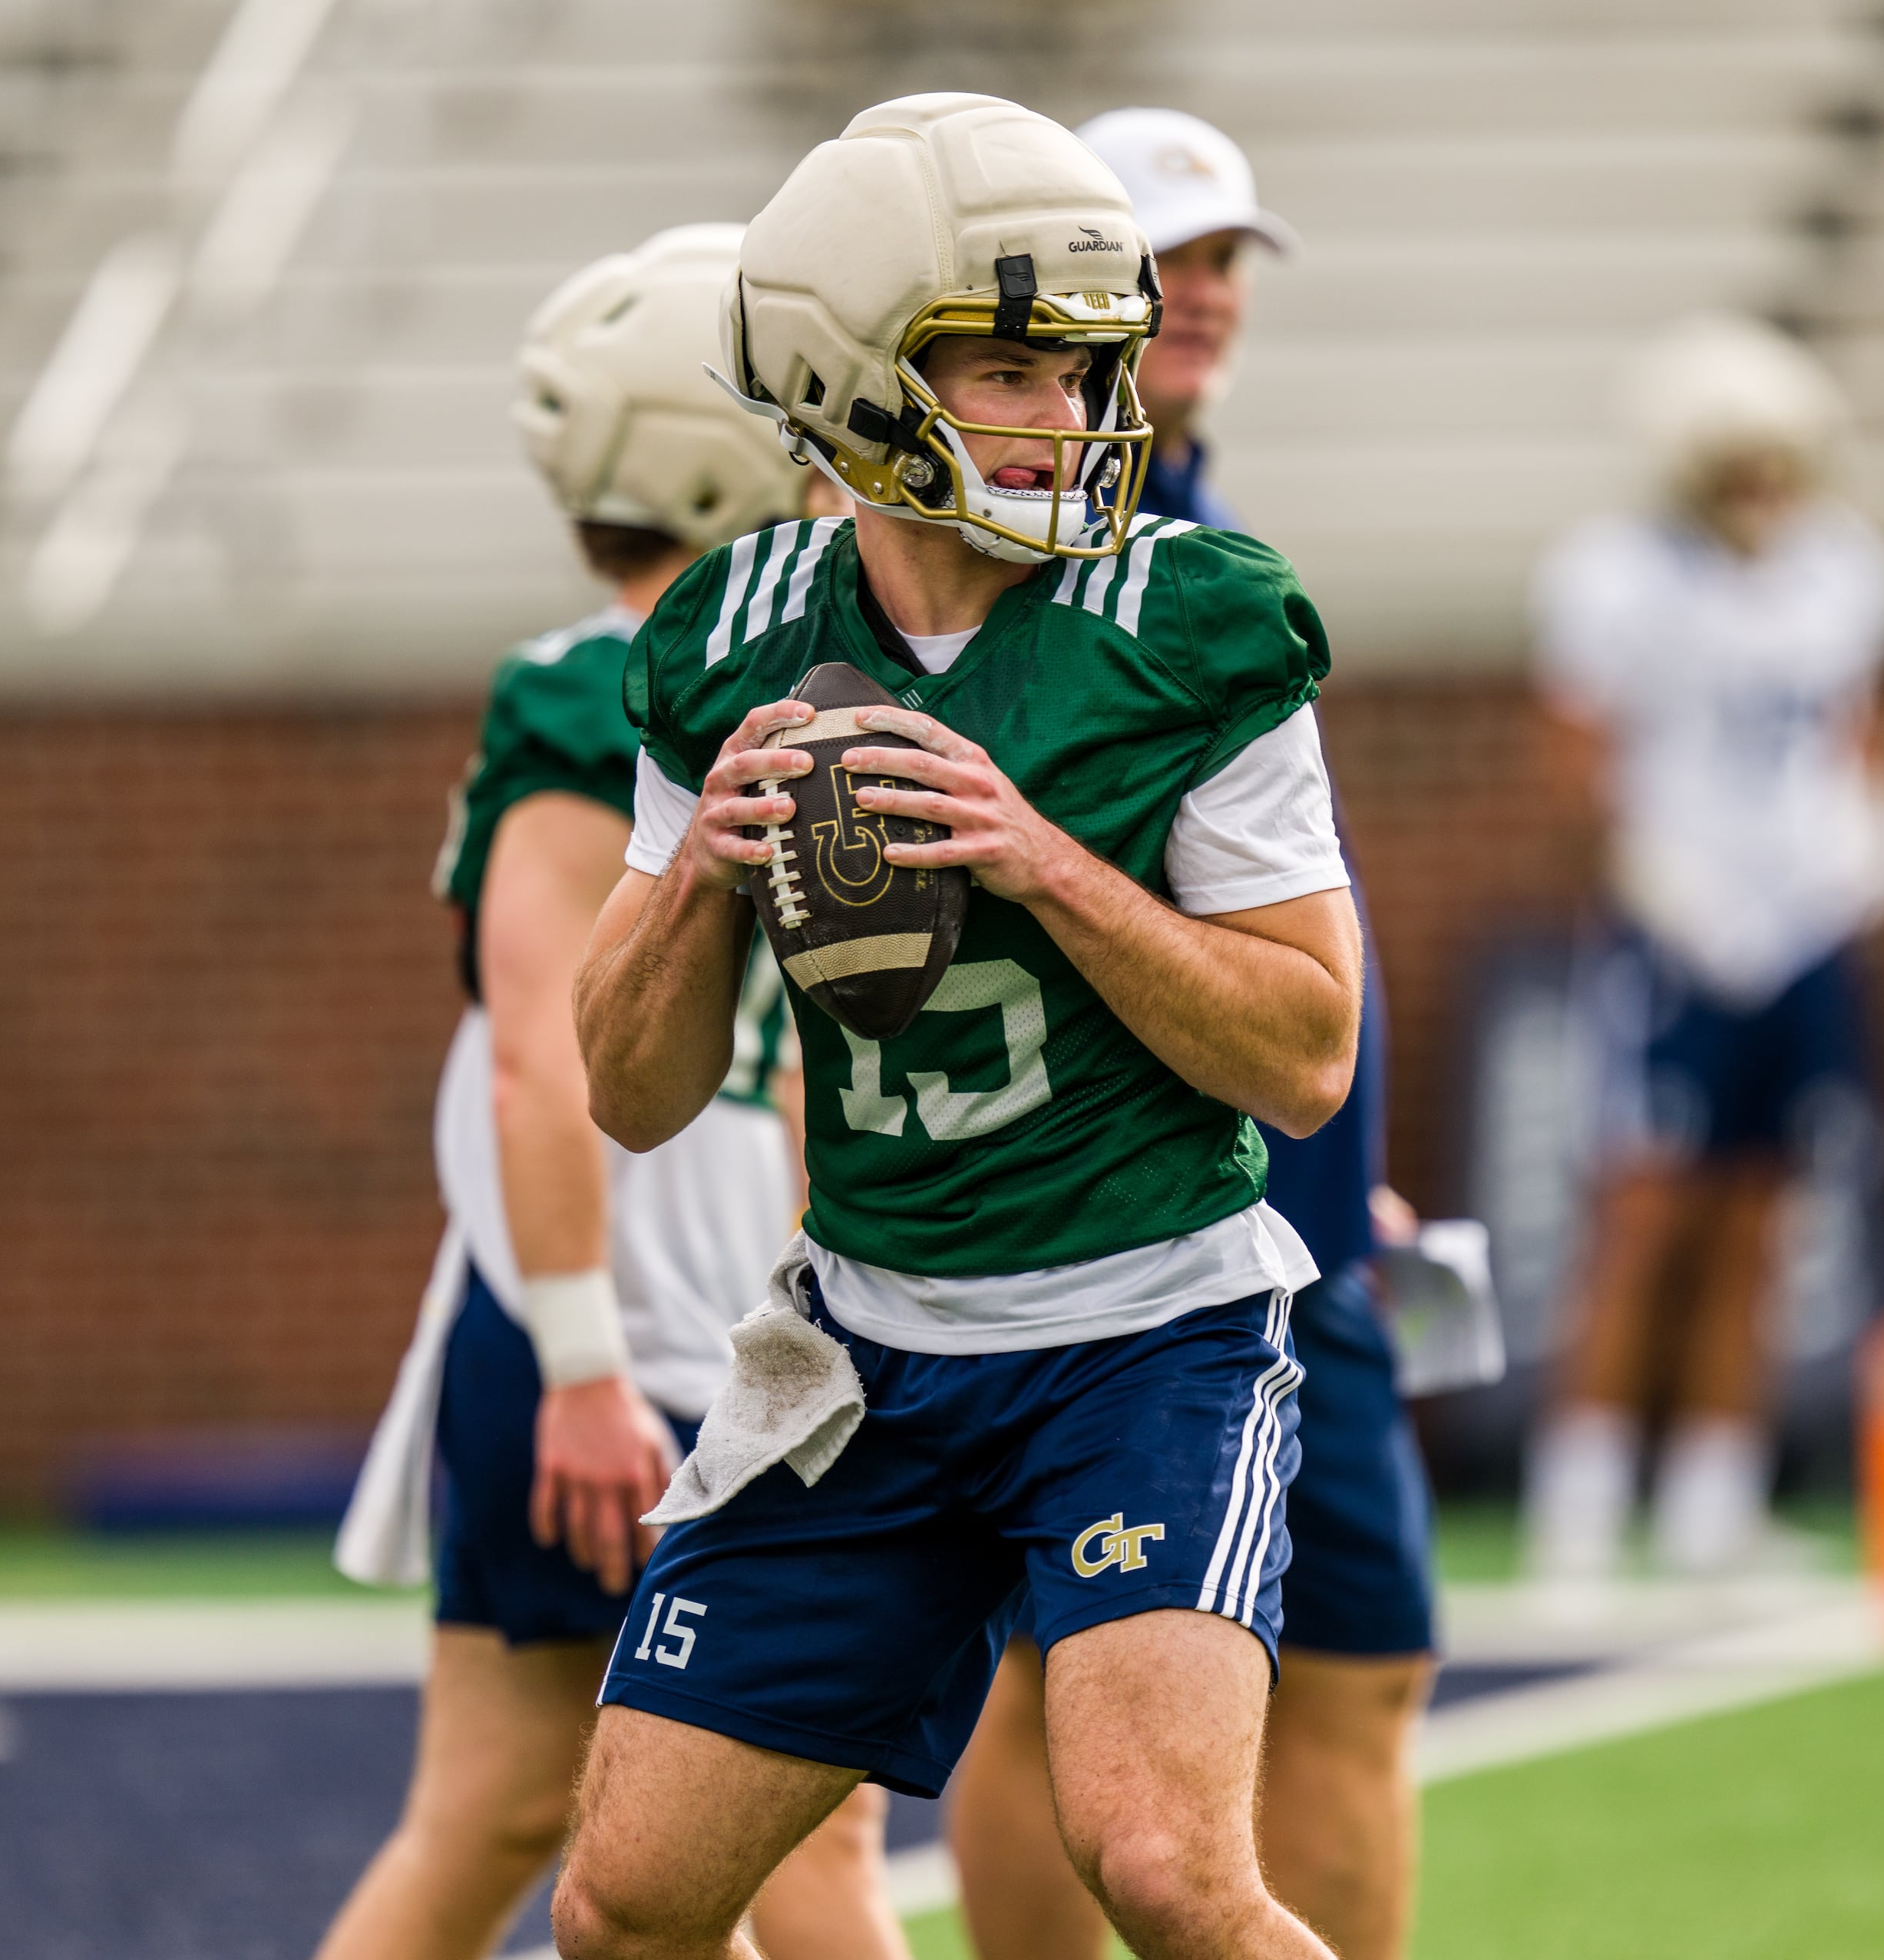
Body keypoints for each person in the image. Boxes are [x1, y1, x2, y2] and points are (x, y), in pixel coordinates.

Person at [556, 92, 1361, 1960]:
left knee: (1165, 1865)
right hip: (868, 1345)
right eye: (1005, 366)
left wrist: (1047, 862)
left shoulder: (1188, 624)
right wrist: (702, 879)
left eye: (1083, 370)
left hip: (1140, 1329)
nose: (1069, 418)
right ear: (846, 375)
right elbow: (631, 1086)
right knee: (623, 1904)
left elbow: (1307, 1049)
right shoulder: (731, 637)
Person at [317, 224, 904, 1960]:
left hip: (701, 1322)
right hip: (623, 1333)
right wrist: (582, 1364)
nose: (837, 463)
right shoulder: (601, 699)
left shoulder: (785, 671)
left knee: (541, 1818)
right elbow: (536, 1049)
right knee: (790, 1833)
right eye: (804, 428)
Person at [936, 106, 1438, 1960]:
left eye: (1226, 256)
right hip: (1127, 1237)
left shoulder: (1200, 522)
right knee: (1053, 1692)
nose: (1206, 293)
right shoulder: (1039, 543)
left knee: (1369, 1665)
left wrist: (1353, 1166)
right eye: (1168, 257)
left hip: (1303, 1205)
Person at [1521, 312, 1884, 1585]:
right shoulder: (1620, 577)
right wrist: (1653, 880)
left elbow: (1859, 731)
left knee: (1766, 1219)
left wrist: (1875, 835)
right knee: (1643, 1215)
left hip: (1802, 934)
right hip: (1679, 937)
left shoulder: (1838, 567)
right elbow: (1578, 759)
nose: (1763, 491)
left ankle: (1711, 1497)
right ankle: (1578, 1499)